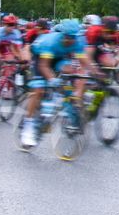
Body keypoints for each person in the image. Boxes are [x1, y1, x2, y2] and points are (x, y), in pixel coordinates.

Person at [21, 20, 96, 148]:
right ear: (62, 35)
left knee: (71, 72)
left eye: (73, 37)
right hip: (40, 58)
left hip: (59, 58)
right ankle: (28, 125)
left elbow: (85, 62)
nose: (71, 40)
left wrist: (96, 74)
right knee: (39, 89)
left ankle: (67, 110)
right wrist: (52, 79)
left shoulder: (76, 42)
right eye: (68, 37)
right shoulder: (51, 42)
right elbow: (44, 66)